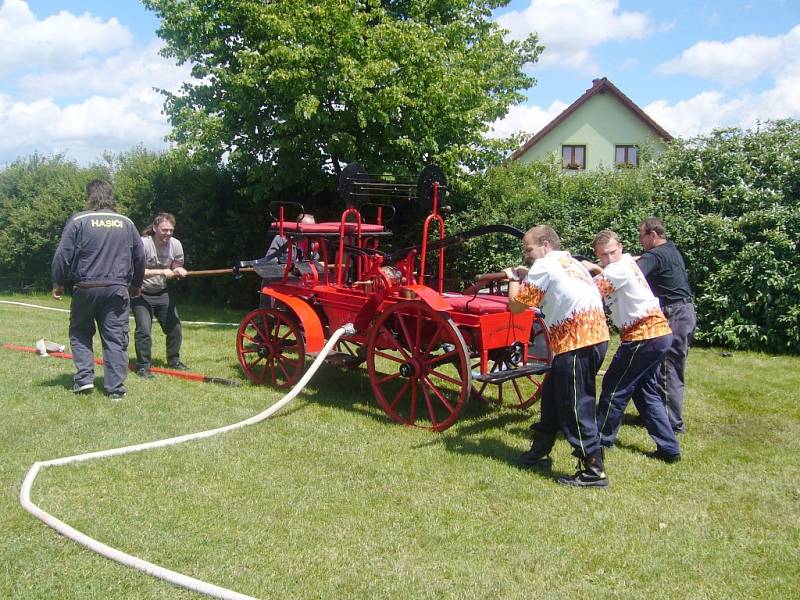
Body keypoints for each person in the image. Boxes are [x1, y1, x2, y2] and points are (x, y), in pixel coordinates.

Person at [506, 225, 611, 487]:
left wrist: (513, 279)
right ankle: (538, 451)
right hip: (595, 337)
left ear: (546, 245)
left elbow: (516, 307)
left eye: (529, 249)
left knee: (576, 406)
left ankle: (593, 470)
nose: (527, 255)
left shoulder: (544, 265)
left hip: (576, 341)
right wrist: (529, 275)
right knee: (553, 396)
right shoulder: (570, 262)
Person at [586, 230, 681, 462]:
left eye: (612, 252)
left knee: (615, 385)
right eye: (603, 256)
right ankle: (669, 449)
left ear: (620, 246)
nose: (608, 259)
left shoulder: (618, 269)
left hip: (643, 335)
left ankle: (601, 440)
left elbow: (588, 293)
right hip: (657, 334)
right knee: (645, 392)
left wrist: (584, 269)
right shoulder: (628, 263)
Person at [51, 180, 145, 400]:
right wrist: (136, 284)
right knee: (115, 337)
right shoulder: (126, 222)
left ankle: (84, 379)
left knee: (80, 331)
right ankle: (116, 390)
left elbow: (62, 254)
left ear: (90, 196)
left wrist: (57, 282)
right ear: (111, 196)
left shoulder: (79, 220)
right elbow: (140, 257)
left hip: (86, 286)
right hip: (117, 288)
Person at [635, 217, 697, 433]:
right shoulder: (670, 250)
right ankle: (657, 415)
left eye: (642, 236)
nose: (640, 240)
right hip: (684, 312)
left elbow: (633, 275)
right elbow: (642, 260)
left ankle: (672, 424)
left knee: (668, 369)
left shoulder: (655, 255)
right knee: (659, 366)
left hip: (675, 314)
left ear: (653, 235)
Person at [132, 212, 189, 378]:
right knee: (143, 330)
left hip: (162, 293)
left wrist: (178, 270)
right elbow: (137, 271)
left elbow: (175, 266)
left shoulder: (176, 245)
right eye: (165, 230)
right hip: (140, 293)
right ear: (155, 228)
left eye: (171, 230)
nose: (168, 234)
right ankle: (143, 366)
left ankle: (174, 361)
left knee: (175, 328)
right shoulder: (143, 244)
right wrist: (163, 272)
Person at [259, 213, 315, 309]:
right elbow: (269, 262)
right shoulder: (281, 239)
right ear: (297, 226)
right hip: (279, 286)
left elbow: (315, 265)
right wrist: (287, 270)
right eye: (306, 228)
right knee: (268, 284)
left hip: (300, 288)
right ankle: (265, 319)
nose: (308, 233)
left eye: (311, 229)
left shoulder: (313, 246)